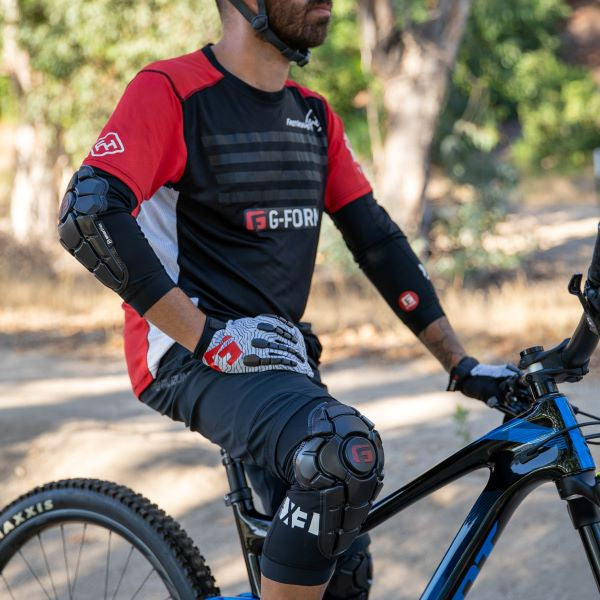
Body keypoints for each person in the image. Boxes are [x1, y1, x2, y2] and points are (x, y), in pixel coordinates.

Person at [57, 1, 518, 598]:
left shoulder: (314, 116)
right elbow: (88, 213)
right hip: (188, 354)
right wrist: (209, 338)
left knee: (341, 571)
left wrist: (462, 364)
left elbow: (377, 241)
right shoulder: (171, 91)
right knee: (338, 457)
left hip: (278, 359)